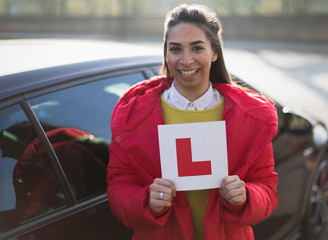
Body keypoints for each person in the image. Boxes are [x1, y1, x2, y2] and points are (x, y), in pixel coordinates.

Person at [107, 4, 278, 240]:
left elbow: (266, 186)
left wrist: (246, 197)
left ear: (214, 53)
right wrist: (145, 200)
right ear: (166, 54)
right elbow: (119, 184)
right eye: (175, 49)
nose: (186, 60)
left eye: (197, 48)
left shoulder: (249, 118)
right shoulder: (133, 117)